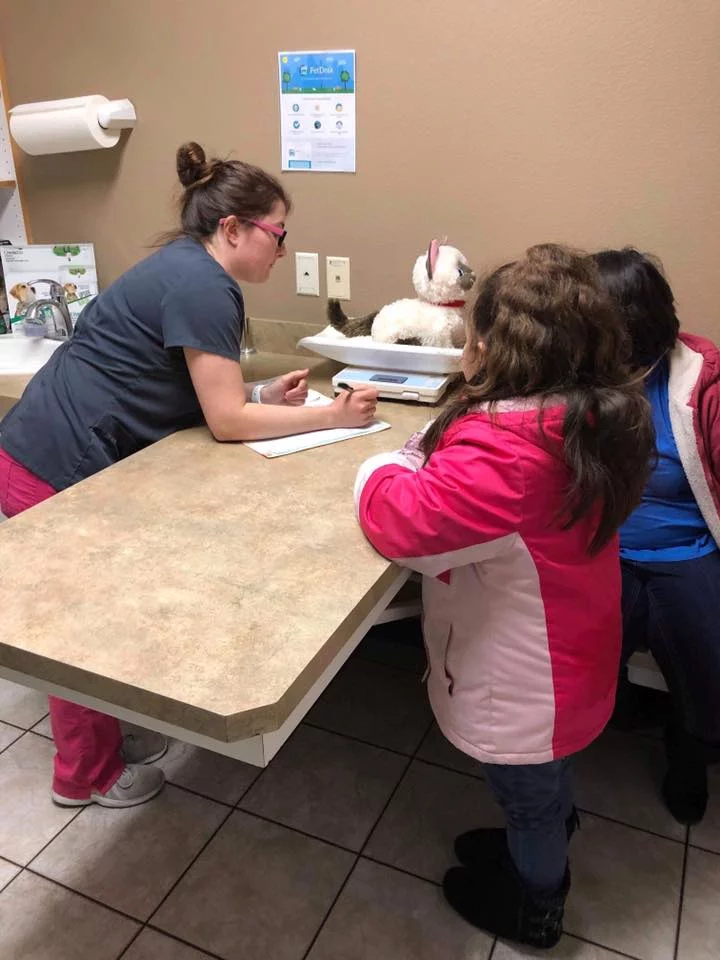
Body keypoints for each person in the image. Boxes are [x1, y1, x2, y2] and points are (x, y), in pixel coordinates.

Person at [0, 141, 378, 809]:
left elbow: (194, 387)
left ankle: (110, 736)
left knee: (104, 603)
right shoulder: (205, 284)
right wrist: (335, 418)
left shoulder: (184, 267)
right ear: (232, 229)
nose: (282, 251)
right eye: (278, 234)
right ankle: (84, 776)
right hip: (47, 462)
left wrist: (263, 398)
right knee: (81, 620)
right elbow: (225, 422)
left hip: (47, 447)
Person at [354, 244, 655, 949]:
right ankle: (542, 832)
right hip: (573, 652)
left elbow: (402, 519)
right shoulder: (591, 414)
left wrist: (386, 459)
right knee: (544, 783)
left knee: (528, 792)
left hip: (530, 681)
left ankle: (536, 906)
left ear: (487, 344)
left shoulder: (507, 453)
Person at [594, 247, 720, 825]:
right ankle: (613, 711)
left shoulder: (702, 380)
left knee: (706, 676)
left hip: (687, 549)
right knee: (586, 658)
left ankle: (688, 756)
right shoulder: (577, 373)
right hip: (601, 547)